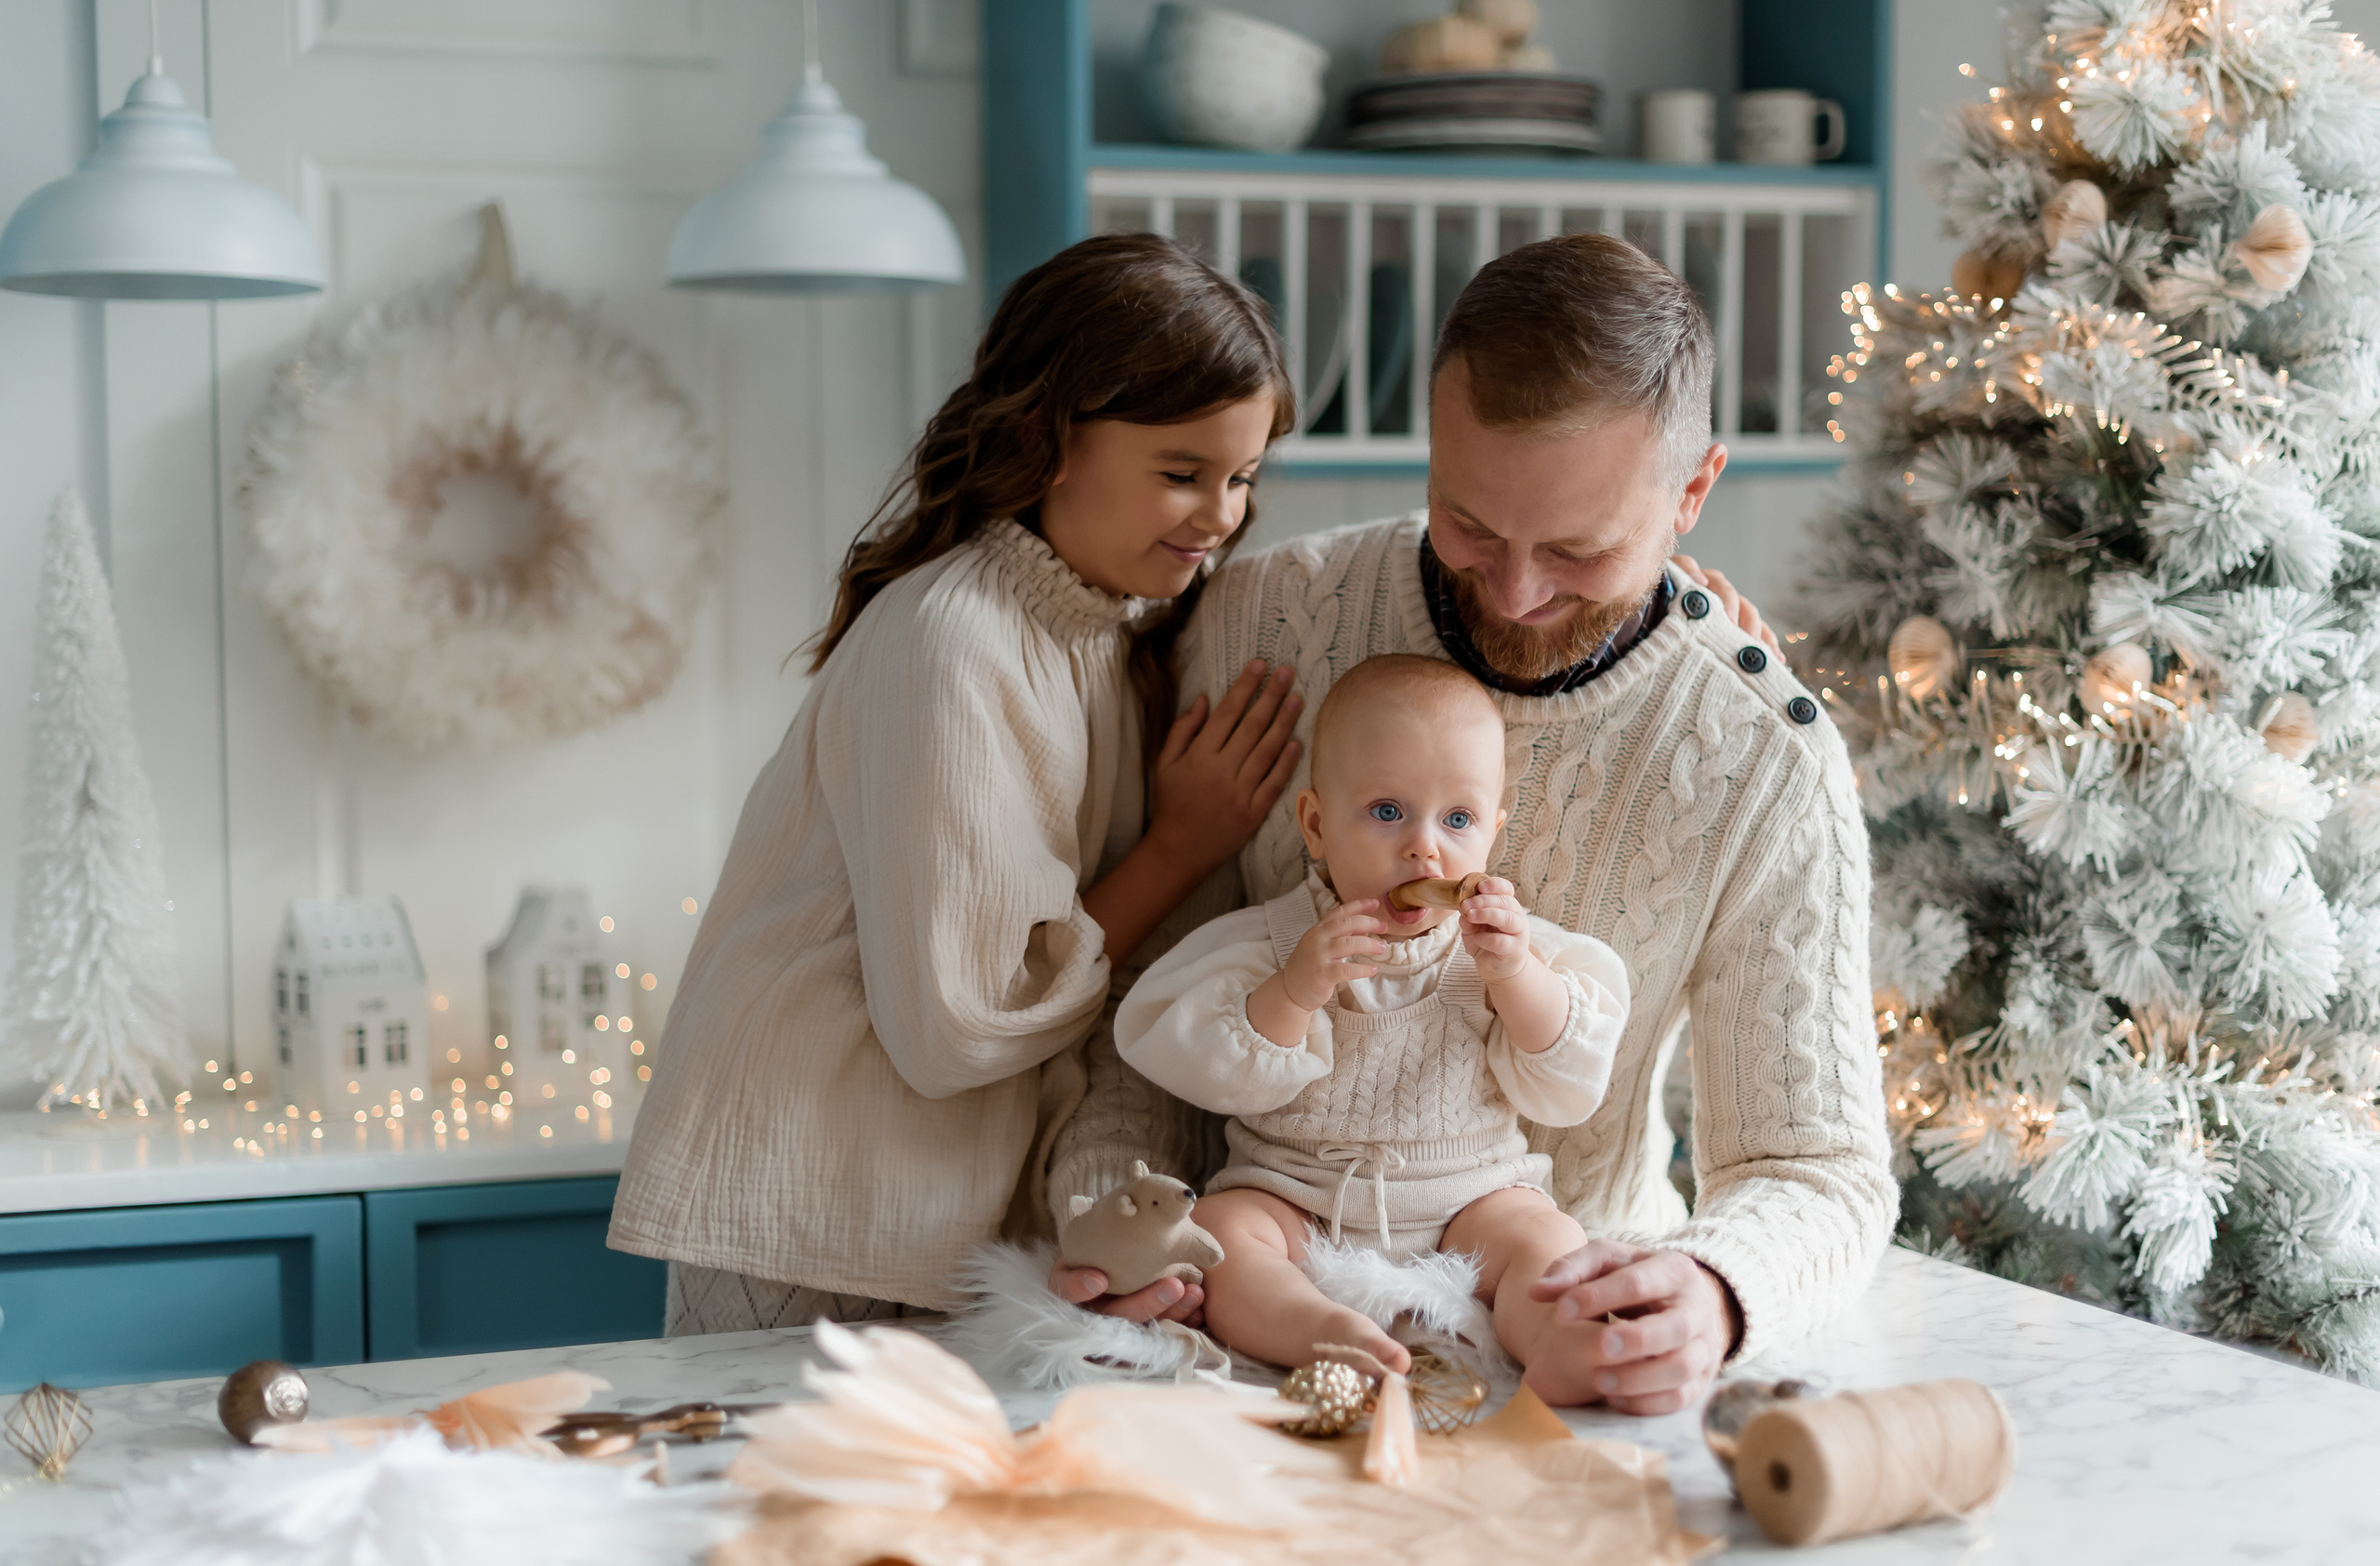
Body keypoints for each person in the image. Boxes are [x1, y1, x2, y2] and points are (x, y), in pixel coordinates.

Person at [1050, 232, 1894, 1414]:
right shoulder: (1260, 621)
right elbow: (1139, 1005)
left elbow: (1818, 1166)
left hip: (1564, 1325)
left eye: (1579, 548)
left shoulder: (1765, 758)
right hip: (1229, 1337)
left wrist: (1707, 1289)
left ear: (1692, 491)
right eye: (1469, 522)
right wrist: (1117, 1213)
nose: (1513, 591)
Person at [608, 234, 1305, 1332]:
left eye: (1244, 476)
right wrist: (1178, 847)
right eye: (1182, 473)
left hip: (926, 1214)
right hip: (813, 1207)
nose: (1220, 515)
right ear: (1048, 438)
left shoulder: (1107, 630)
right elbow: (954, 1029)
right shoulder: (953, 641)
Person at [1113, 654, 1632, 1400]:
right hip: (1297, 1195)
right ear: (1317, 825)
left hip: (1471, 1199)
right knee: (1222, 1233)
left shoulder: (1505, 948)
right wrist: (1296, 989)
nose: (1425, 848)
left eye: (1458, 819)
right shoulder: (1273, 941)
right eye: (1388, 812)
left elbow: (1568, 1082)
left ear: (1492, 833)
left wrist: (1517, 978)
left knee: (1547, 1238)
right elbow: (1186, 1053)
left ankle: (1558, 1339)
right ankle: (1321, 1330)